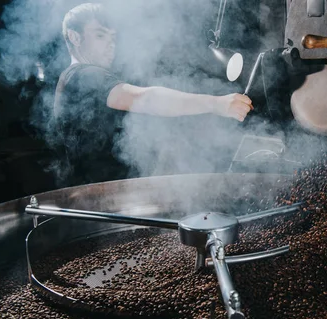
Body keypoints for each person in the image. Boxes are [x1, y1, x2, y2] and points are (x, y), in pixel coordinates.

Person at [53, 3, 253, 186]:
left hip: (117, 198)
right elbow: (143, 99)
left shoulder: (87, 79)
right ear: (75, 37)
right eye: (100, 35)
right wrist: (216, 104)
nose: (111, 44)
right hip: (99, 206)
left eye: (113, 37)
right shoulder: (81, 75)